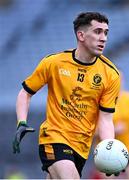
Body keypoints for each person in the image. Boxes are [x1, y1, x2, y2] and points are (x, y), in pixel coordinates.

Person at [12, 12, 121, 179]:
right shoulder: (53, 63)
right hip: (54, 137)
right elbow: (25, 93)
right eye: (98, 31)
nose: (103, 38)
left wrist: (109, 150)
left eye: (106, 33)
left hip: (82, 148)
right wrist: (21, 121)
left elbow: (105, 119)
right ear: (81, 35)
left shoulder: (111, 74)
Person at [91, 73, 129, 179]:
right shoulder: (97, 102)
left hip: (128, 150)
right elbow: (90, 130)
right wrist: (113, 130)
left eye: (120, 79)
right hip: (106, 154)